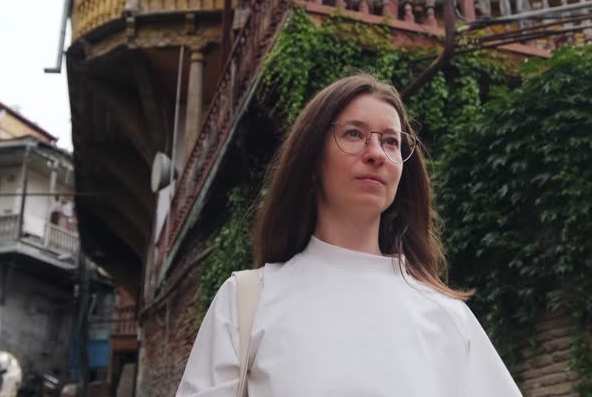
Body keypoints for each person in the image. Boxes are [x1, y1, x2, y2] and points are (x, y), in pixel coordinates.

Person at [176, 74, 521, 397]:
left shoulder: (446, 316)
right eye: (354, 134)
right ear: (312, 161)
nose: (376, 154)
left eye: (390, 141)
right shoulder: (246, 301)